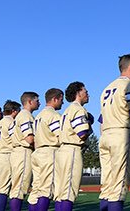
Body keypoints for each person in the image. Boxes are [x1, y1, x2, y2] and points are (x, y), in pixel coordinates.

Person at [99, 54, 130, 211]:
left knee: (107, 186)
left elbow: (101, 119)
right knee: (119, 186)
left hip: (105, 135)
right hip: (122, 134)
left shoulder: (106, 89)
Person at [53, 82, 94, 210]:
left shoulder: (67, 110)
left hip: (62, 150)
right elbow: (82, 133)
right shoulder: (78, 109)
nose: (87, 93)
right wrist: (89, 126)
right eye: (85, 91)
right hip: (72, 150)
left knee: (60, 193)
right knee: (68, 192)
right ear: (78, 93)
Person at [28, 88, 64, 210]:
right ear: (54, 99)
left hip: (37, 152)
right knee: (47, 189)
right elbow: (61, 134)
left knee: (36, 189)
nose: (62, 103)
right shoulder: (53, 115)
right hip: (49, 151)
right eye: (61, 100)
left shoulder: (38, 116)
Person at [10, 92, 40, 211]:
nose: (39, 103)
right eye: (37, 100)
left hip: (18, 151)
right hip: (23, 151)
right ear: (29, 102)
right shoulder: (25, 115)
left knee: (18, 187)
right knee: (19, 189)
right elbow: (29, 138)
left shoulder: (21, 116)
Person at [0, 100, 21, 211]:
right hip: (5, 155)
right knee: (3, 189)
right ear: (14, 111)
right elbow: (16, 138)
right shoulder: (11, 122)